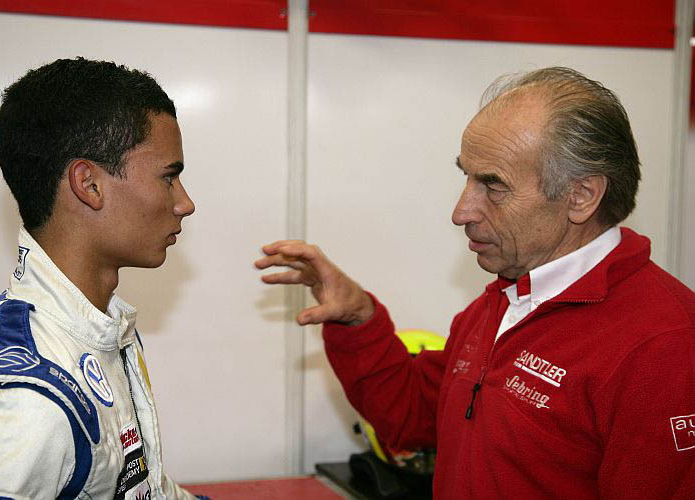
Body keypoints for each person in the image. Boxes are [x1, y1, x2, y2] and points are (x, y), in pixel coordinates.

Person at [255, 67, 695, 498]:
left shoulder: (666, 346)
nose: (461, 211)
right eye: (467, 176)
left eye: (493, 185)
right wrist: (357, 319)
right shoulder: (507, 300)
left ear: (580, 196)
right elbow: (412, 414)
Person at [0, 58, 201, 499]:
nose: (185, 203)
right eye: (169, 177)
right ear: (89, 183)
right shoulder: (23, 400)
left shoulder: (98, 330)